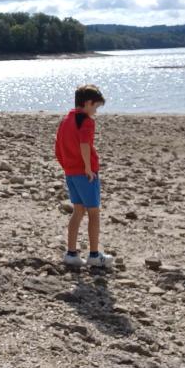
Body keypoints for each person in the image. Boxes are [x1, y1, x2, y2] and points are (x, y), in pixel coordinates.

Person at [54, 84, 114, 270]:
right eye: (95, 107)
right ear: (88, 103)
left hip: (71, 172)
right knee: (94, 213)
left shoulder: (66, 120)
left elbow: (58, 147)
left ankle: (71, 253)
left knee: (78, 211)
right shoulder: (85, 121)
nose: (95, 112)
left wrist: (67, 166)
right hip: (84, 173)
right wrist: (88, 168)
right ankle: (94, 255)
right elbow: (85, 145)